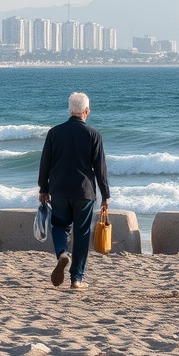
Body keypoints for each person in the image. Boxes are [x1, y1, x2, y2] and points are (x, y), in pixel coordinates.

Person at [37, 91, 110, 290]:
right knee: (82, 233)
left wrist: (44, 188)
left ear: (70, 110)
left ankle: (62, 252)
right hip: (84, 192)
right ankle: (76, 279)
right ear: (86, 111)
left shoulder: (54, 132)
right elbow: (100, 168)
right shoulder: (93, 134)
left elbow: (45, 162)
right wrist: (106, 195)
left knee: (59, 226)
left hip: (59, 189)